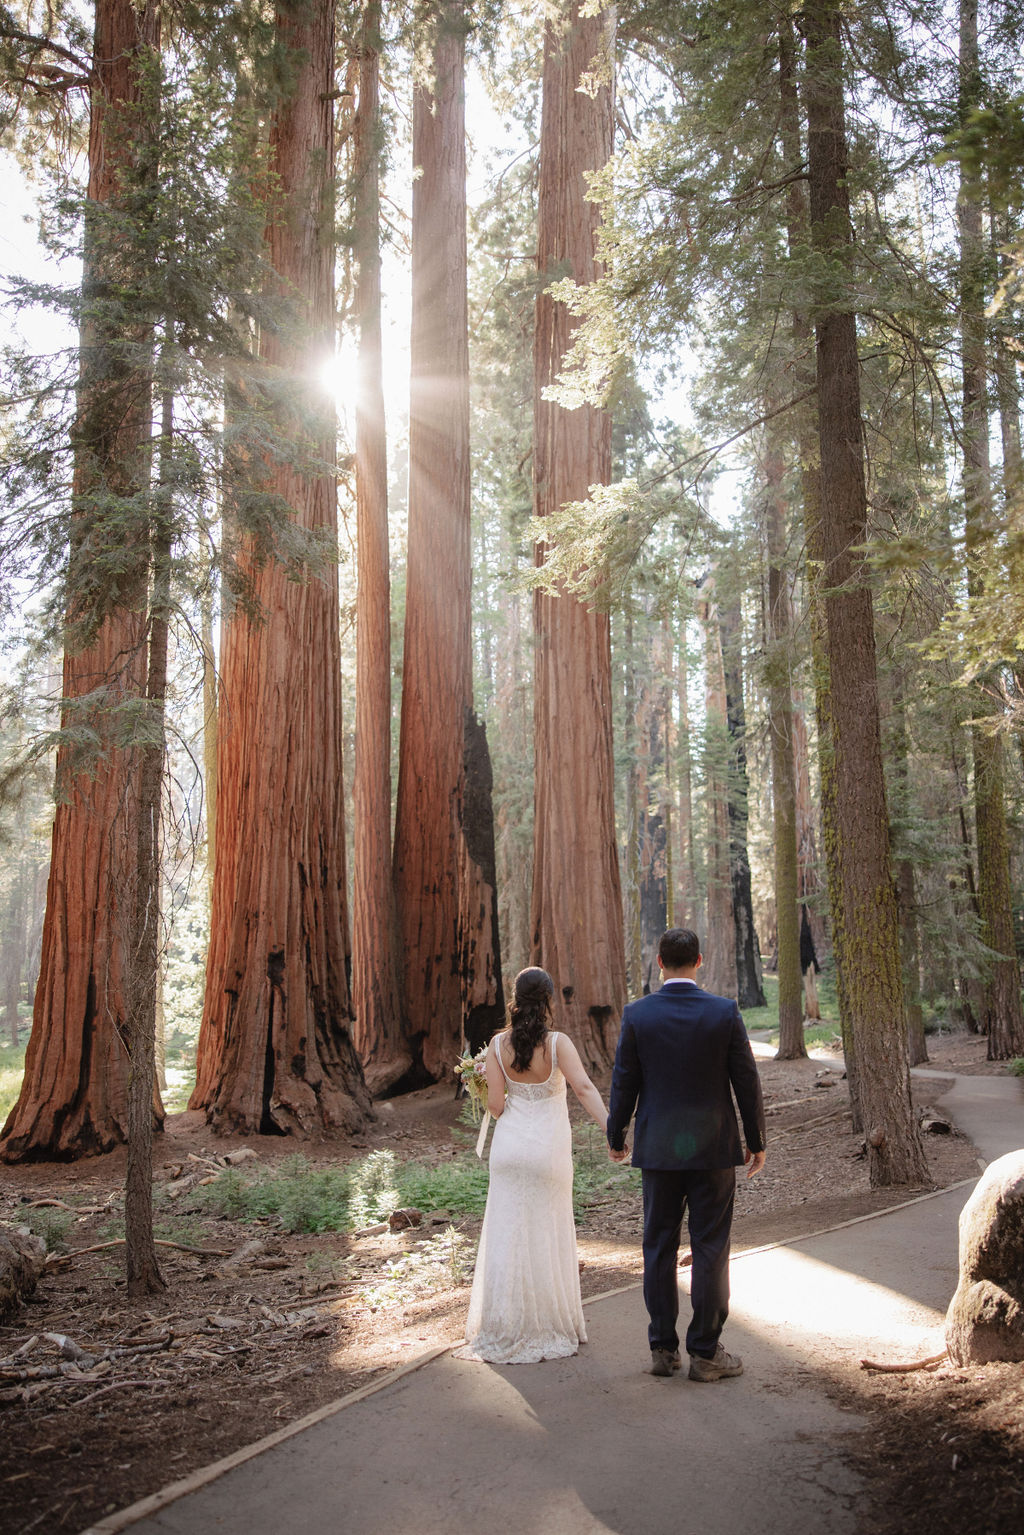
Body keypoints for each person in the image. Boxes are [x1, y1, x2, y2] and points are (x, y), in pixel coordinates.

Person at [607, 927, 766, 1381]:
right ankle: (705, 1352)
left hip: (658, 1150)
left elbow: (624, 1080)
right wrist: (756, 1141)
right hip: (713, 1149)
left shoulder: (638, 1015)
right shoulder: (723, 1012)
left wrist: (616, 1135)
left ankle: (662, 1348)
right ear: (700, 960)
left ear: (660, 963)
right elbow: (746, 1080)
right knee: (710, 1246)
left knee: (657, 1246)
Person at [460, 967, 611, 1364]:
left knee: (508, 1235)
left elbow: (495, 1106)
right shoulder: (559, 1044)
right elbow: (583, 1088)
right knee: (548, 1232)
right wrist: (612, 1129)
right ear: (548, 1000)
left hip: (508, 1152)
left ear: (515, 998)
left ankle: (505, 1326)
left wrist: (483, 1082)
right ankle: (550, 1323)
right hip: (548, 1151)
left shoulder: (495, 1046)